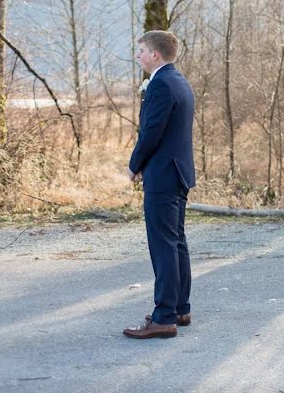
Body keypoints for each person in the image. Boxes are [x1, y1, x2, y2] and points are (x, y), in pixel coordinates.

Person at [123, 30, 196, 339]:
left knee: (163, 245)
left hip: (164, 176)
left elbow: (151, 132)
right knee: (176, 242)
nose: (138, 55)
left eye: (141, 50)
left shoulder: (162, 85)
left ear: (155, 54)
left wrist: (134, 165)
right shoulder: (179, 81)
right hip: (177, 172)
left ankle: (164, 317)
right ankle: (179, 308)